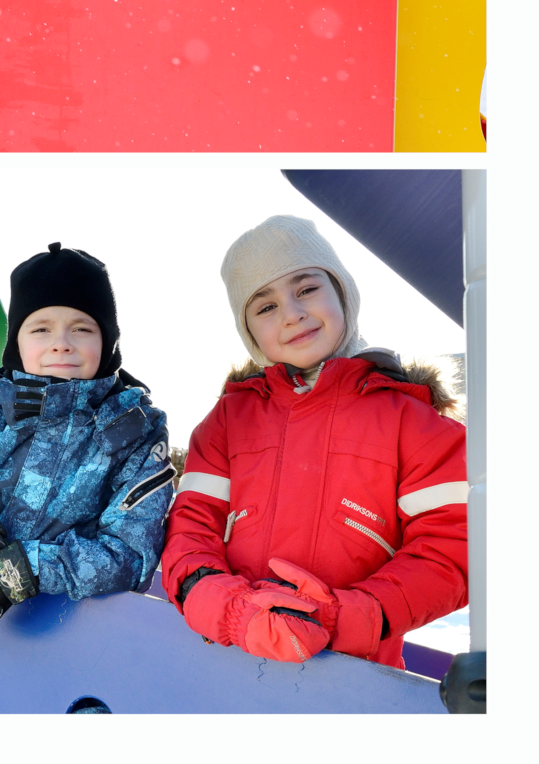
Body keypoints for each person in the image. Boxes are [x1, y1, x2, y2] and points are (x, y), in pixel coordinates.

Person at [161, 216, 467, 667]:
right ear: (249, 332)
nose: (291, 313)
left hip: (353, 680)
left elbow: (453, 548)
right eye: (265, 307)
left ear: (342, 292)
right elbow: (190, 532)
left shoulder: (413, 420)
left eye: (306, 289)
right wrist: (232, 612)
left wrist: (344, 616)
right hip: (224, 667)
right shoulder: (227, 421)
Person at [0, 244, 173, 642]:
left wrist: (23, 571)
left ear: (107, 342)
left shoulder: (133, 432)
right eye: (41, 328)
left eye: (82, 328)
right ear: (16, 341)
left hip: (77, 637)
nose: (61, 343)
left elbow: (130, 553)